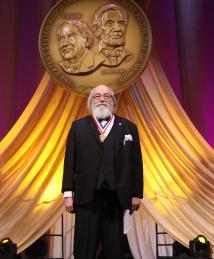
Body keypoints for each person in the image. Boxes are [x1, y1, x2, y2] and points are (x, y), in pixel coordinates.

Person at [62, 84, 143, 259]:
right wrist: (68, 194)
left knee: (114, 250)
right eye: (97, 96)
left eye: (107, 96)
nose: (102, 99)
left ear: (113, 102)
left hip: (116, 197)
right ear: (90, 101)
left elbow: (136, 164)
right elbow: (69, 161)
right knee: (84, 250)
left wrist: (136, 193)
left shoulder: (128, 127)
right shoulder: (78, 127)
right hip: (86, 197)